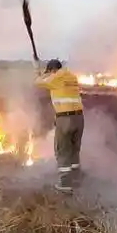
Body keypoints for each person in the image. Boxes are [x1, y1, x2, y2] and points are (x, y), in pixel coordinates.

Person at [34, 58, 84, 193]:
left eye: (49, 73)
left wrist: (37, 69)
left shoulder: (56, 77)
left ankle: (65, 184)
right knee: (74, 150)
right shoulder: (72, 77)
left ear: (53, 70)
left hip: (65, 119)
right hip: (79, 118)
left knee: (62, 150)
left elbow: (38, 83)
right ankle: (77, 179)